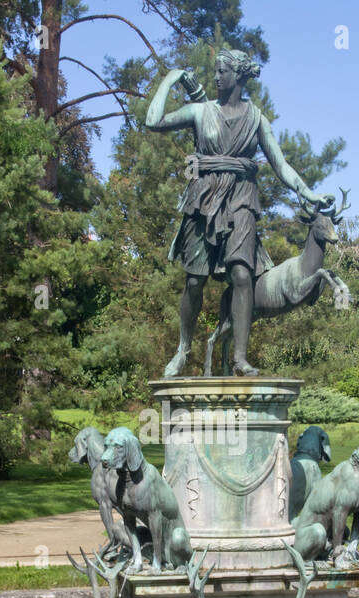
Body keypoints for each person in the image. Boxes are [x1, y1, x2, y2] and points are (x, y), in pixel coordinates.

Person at [145, 49, 333, 377]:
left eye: (221, 71)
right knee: (194, 281)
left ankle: (240, 359)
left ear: (238, 76)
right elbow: (153, 121)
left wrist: (307, 191)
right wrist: (170, 77)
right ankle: (183, 349)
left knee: (243, 275)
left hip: (242, 199)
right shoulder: (200, 111)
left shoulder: (257, 118)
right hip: (203, 200)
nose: (216, 77)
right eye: (214, 72)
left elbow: (280, 164)